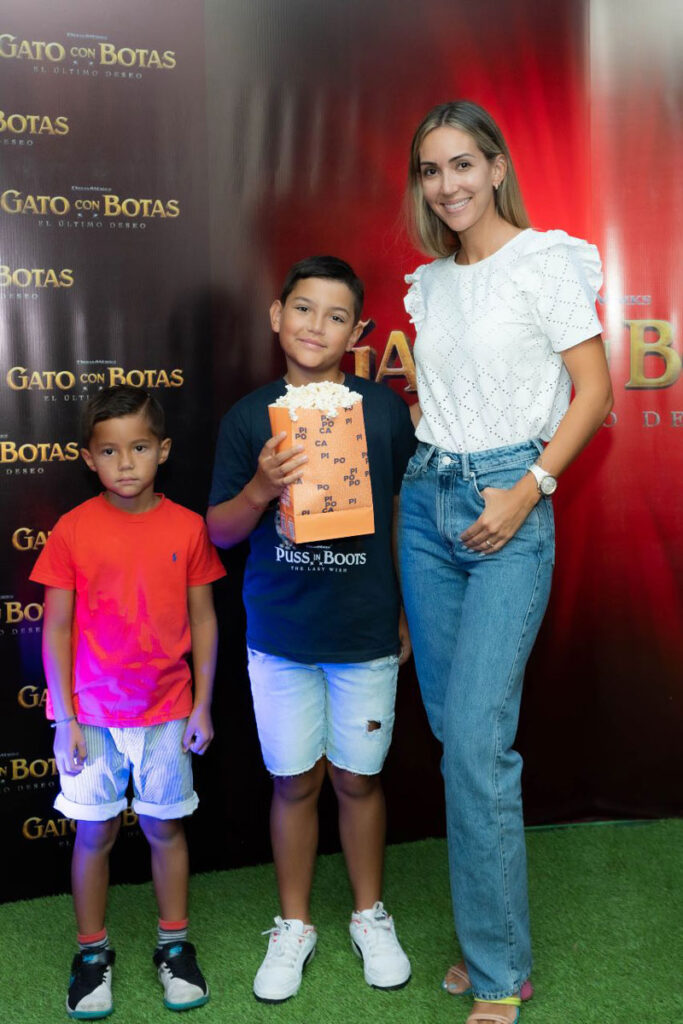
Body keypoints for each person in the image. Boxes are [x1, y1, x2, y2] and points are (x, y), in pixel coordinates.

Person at [398, 101, 613, 1024]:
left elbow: (594, 392)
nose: (446, 184)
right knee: (459, 745)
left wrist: (526, 490)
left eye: (461, 164)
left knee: (479, 746)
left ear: (494, 167)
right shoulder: (428, 285)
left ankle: (496, 973)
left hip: (508, 505)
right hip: (425, 503)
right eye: (429, 169)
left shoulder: (544, 261)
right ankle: (492, 938)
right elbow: (439, 404)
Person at [207, 255, 415, 1003]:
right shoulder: (248, 417)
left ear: (357, 333)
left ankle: (368, 914)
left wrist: (405, 608)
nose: (316, 326)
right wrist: (263, 486)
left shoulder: (383, 412)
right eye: (302, 308)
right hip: (281, 634)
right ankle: (293, 923)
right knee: (294, 781)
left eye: (336, 316)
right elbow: (220, 532)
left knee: (358, 778)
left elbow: (402, 515)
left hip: (363, 630)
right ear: (276, 315)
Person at [30, 385, 225, 1020]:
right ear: (89, 459)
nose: (125, 463)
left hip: (168, 711)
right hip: (90, 716)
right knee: (96, 832)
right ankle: (92, 955)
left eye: (139, 448)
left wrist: (203, 704)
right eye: (109, 451)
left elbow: (205, 620)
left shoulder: (188, 527)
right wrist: (63, 718)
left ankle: (175, 946)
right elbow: (56, 628)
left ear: (162, 450)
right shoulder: (72, 529)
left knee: (166, 828)